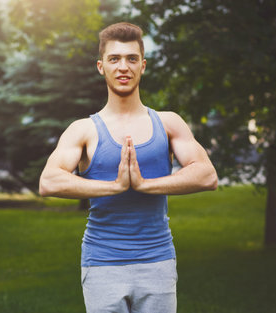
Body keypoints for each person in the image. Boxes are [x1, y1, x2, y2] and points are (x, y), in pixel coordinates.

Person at [38, 22, 218, 313]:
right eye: (114, 59)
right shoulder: (83, 129)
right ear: (101, 67)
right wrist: (114, 187)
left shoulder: (168, 123)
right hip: (102, 265)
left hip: (157, 261)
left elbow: (207, 175)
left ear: (143, 65)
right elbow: (49, 182)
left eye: (132, 58)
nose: (124, 67)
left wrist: (145, 184)